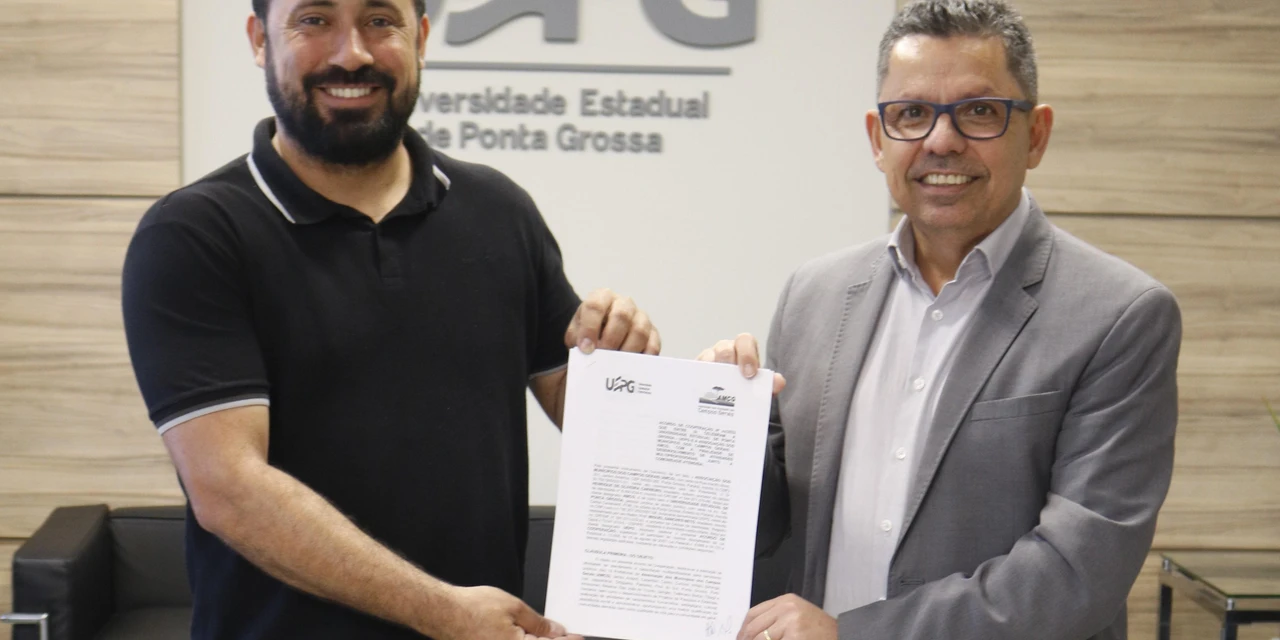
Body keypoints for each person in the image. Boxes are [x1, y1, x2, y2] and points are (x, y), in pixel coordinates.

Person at [121, 0, 659, 638]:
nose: (351, 54)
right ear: (260, 40)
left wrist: (633, 371)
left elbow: (592, 418)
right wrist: (445, 614)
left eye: (380, 20)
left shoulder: (498, 211)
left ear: (421, 38)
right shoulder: (194, 234)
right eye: (314, 20)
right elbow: (229, 490)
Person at [703, 1, 1181, 639]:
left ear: (1036, 134)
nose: (941, 140)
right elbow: (767, 525)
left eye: (979, 111)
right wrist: (715, 428)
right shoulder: (813, 295)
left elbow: (1077, 573)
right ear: (878, 140)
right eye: (912, 113)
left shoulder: (1121, 315)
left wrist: (855, 634)